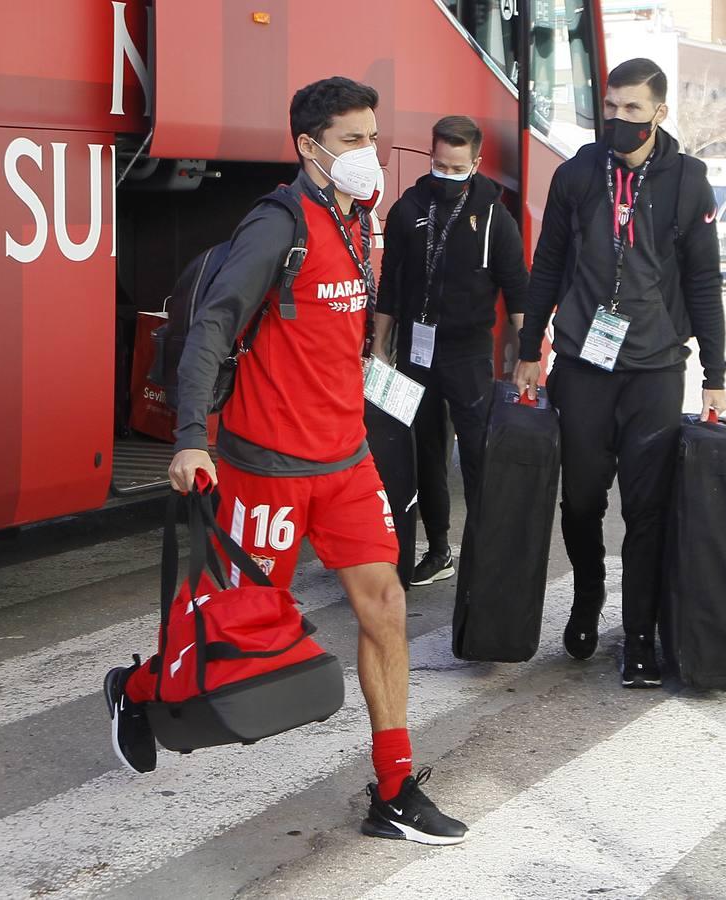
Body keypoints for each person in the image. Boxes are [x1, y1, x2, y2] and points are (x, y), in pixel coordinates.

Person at [103, 77, 467, 845]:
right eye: (353, 141)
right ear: (309, 147)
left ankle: (395, 789)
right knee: (230, 631)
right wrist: (191, 437)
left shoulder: (360, 221)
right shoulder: (278, 226)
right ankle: (137, 690)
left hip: (345, 462)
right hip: (264, 468)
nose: (370, 154)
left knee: (387, 608)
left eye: (373, 136)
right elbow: (210, 330)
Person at [512, 58, 726, 688]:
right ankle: (587, 595)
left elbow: (704, 282)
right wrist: (531, 349)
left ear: (659, 113)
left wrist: (714, 371)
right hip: (581, 365)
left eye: (633, 109)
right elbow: (547, 265)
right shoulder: (577, 174)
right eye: (610, 107)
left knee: (648, 508)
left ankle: (638, 636)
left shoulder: (689, 181)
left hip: (656, 370)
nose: (618, 119)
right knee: (579, 500)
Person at [375, 116, 529, 586]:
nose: (446, 175)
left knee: (480, 454)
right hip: (417, 354)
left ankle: (487, 554)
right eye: (440, 166)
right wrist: (381, 346)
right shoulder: (408, 208)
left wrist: (528, 355)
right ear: (431, 157)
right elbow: (390, 284)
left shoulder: (494, 217)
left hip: (468, 353)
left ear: (476, 164)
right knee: (425, 453)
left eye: (457, 169)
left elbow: (518, 290)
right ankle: (439, 550)